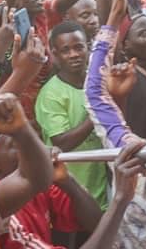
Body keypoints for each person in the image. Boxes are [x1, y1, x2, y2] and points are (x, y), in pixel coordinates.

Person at [35, 21, 108, 209]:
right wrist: (97, 109)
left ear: (88, 47)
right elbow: (62, 142)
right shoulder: (51, 93)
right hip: (66, 193)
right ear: (55, 54)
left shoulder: (99, 81)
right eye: (66, 50)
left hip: (101, 189)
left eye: (78, 48)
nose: (74, 54)